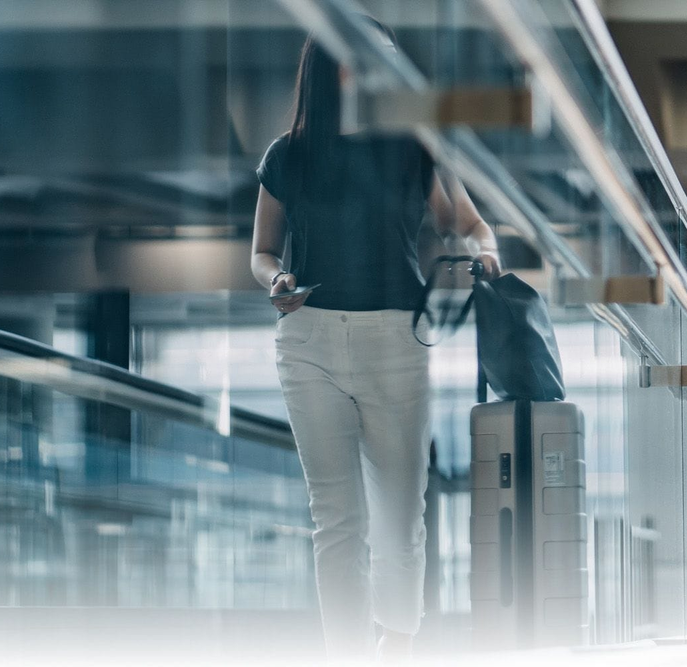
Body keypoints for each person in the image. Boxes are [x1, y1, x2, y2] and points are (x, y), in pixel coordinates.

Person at [250, 29, 502, 662]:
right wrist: (274, 279)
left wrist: (486, 250)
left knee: (400, 511)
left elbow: (469, 223)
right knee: (336, 518)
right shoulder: (289, 154)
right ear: (329, 69)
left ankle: (398, 643)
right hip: (308, 341)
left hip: (396, 339)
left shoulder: (415, 147)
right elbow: (262, 252)